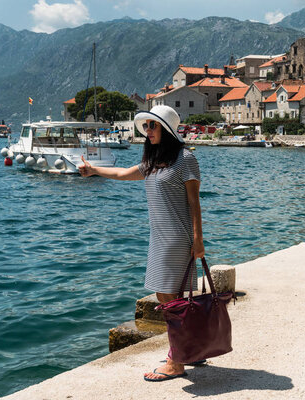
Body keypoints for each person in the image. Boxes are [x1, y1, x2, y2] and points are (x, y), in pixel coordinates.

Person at [79, 105, 205, 382]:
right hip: (159, 238)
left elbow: (194, 202)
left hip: (176, 238)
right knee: (174, 299)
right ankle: (189, 350)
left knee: (168, 299)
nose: (147, 131)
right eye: (145, 126)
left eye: (153, 126)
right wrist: (93, 170)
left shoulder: (185, 159)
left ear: (168, 129)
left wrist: (198, 240)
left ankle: (176, 362)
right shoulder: (154, 162)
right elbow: (123, 174)